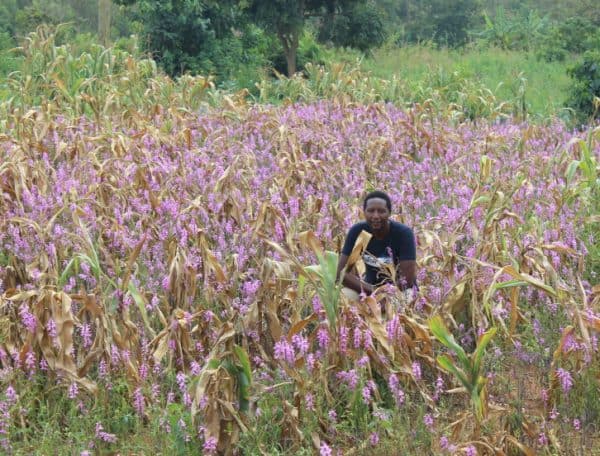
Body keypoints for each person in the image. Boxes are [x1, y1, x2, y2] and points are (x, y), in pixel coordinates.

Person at [336, 190, 417, 297]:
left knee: (408, 296)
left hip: (398, 290)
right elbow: (342, 273)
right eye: (370, 211)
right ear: (364, 212)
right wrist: (374, 292)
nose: (375, 216)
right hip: (368, 288)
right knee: (344, 296)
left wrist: (386, 295)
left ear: (389, 213)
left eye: (381, 211)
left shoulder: (403, 234)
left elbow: (407, 280)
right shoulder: (358, 232)